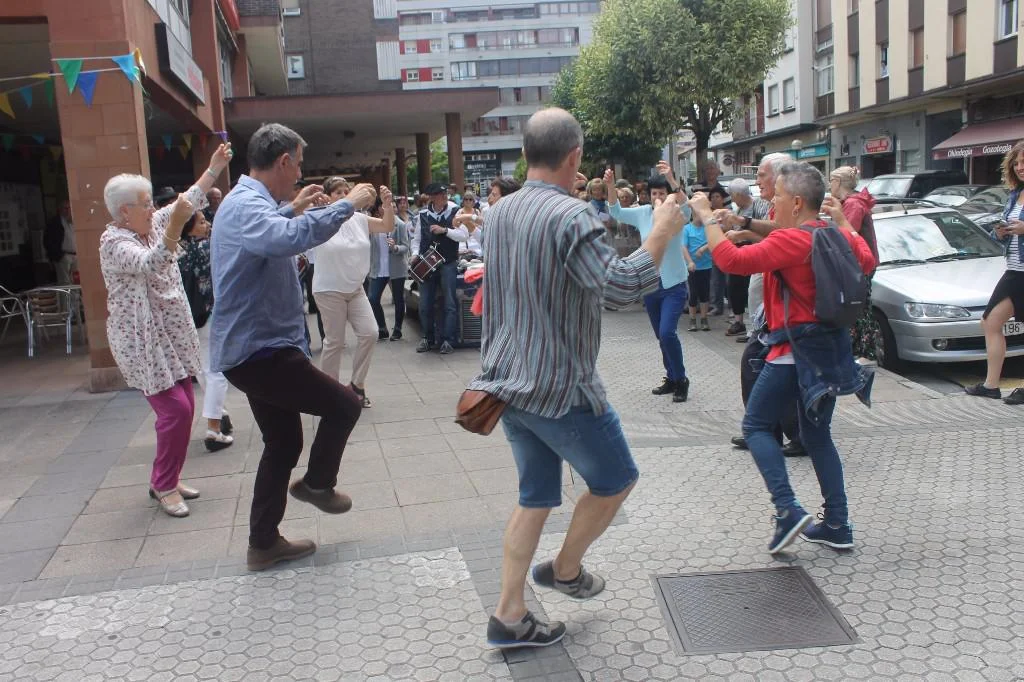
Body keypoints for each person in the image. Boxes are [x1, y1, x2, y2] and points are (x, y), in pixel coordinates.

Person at [469, 108, 685, 649]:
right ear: (575, 156)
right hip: (561, 388)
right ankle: (565, 570)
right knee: (616, 479)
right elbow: (622, 287)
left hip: (505, 382)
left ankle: (509, 615)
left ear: (526, 154)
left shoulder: (499, 212)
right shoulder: (573, 217)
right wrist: (661, 231)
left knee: (535, 497)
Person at [209, 123, 378, 571]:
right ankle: (318, 484)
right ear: (283, 161)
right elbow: (283, 238)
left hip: (258, 348)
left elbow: (270, 231)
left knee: (283, 442)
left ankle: (263, 544)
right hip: (261, 351)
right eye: (299, 164)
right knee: (345, 405)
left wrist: (292, 207)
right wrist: (347, 204)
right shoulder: (246, 205)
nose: (300, 173)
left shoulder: (249, 203)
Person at [695, 161, 876, 553]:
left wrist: (707, 217)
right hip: (830, 352)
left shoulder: (793, 241)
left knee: (756, 426)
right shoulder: (831, 235)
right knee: (817, 435)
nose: (771, 202)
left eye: (776, 196)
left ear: (795, 203)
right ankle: (838, 524)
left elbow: (731, 261)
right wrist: (842, 221)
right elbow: (866, 258)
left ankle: (787, 509)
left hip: (794, 352)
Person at [98, 142, 233, 518]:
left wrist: (213, 167)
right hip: (143, 343)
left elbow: (187, 201)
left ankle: (167, 478)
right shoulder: (114, 242)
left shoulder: (153, 224)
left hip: (171, 338)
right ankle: (163, 483)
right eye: (145, 204)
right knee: (175, 411)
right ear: (124, 211)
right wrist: (174, 228)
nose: (152, 209)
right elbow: (151, 263)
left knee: (184, 408)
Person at [606, 165, 691, 402]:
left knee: (667, 332)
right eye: (654, 193)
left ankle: (682, 379)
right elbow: (616, 211)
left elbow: (688, 207)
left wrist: (671, 179)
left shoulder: (677, 213)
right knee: (660, 336)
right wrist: (610, 186)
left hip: (674, 284)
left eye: (662, 193)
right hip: (651, 284)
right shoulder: (643, 212)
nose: (658, 197)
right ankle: (671, 377)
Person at [313, 179, 396, 408]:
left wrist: (387, 205)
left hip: (356, 288)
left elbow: (386, 226)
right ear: (328, 197)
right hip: (329, 289)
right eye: (337, 193)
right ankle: (329, 393)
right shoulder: (321, 218)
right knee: (335, 342)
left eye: (346, 191)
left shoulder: (359, 219)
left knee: (370, 333)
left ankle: (357, 385)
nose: (343, 195)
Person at [966, 140, 1024, 405]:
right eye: (1017, 163)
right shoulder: (1015, 194)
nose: (1020, 167)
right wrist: (1000, 233)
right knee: (990, 322)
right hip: (1014, 270)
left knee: (991, 322)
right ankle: (991, 386)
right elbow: (1009, 233)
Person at [177, 209, 234, 451]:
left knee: (202, 368)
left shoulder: (175, 251)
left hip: (184, 319)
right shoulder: (207, 248)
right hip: (209, 314)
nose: (207, 224)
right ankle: (213, 428)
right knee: (216, 371)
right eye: (201, 222)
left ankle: (220, 414)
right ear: (188, 227)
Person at [829, 166, 880, 363]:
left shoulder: (853, 204)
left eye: (831, 181)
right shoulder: (852, 202)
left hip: (859, 265)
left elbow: (845, 235)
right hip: (860, 264)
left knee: (858, 309)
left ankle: (862, 353)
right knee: (859, 308)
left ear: (838, 182)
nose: (830, 185)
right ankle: (860, 352)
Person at [415, 183, 469, 354]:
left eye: (445, 192)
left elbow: (464, 235)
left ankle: (448, 340)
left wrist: (445, 230)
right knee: (425, 303)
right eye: (440, 193)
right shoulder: (422, 215)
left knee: (450, 303)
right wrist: (414, 254)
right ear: (432, 197)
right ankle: (427, 338)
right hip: (427, 263)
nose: (445, 195)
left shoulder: (455, 211)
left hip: (448, 262)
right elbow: (416, 240)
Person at [368, 195, 410, 341]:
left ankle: (397, 329)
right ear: (379, 208)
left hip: (396, 268)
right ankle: (382, 327)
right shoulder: (374, 224)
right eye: (384, 205)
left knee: (398, 299)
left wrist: (395, 247)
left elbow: (406, 247)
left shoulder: (400, 225)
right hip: (378, 268)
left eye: (390, 204)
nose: (388, 207)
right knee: (373, 299)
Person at [682, 211, 712, 331]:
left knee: (705, 293)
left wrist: (703, 249)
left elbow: (713, 241)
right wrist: (690, 262)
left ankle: (704, 319)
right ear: (694, 214)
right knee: (693, 293)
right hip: (692, 268)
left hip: (706, 266)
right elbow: (683, 247)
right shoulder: (687, 229)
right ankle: (692, 319)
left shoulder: (708, 228)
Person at [44, 199, 77, 285]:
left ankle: (76, 294)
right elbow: (48, 240)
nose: (68, 210)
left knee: (76, 280)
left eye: (69, 208)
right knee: (65, 281)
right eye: (65, 208)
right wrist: (56, 255)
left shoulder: (74, 221)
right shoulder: (55, 222)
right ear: (60, 209)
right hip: (63, 255)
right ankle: (66, 295)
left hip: (75, 254)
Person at [455, 191, 484, 258]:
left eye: (470, 199)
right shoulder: (459, 212)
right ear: (463, 201)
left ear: (473, 201)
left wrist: (472, 224)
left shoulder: (477, 211)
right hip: (464, 241)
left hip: (475, 240)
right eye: (466, 199)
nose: (468, 201)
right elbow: (456, 226)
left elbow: (481, 226)